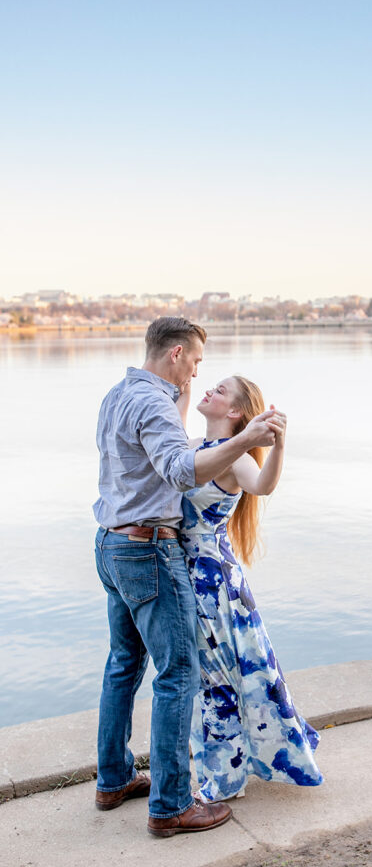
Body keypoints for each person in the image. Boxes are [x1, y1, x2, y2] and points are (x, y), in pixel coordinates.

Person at [93, 317, 283, 838]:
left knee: (123, 665)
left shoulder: (120, 394)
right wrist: (246, 436)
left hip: (111, 543)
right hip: (149, 550)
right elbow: (181, 471)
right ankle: (172, 806)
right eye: (196, 362)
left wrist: (226, 428)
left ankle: (113, 780)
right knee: (178, 676)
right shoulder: (154, 403)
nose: (199, 373)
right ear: (176, 353)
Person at [177, 374, 323, 802]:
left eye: (219, 391)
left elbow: (263, 486)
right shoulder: (192, 446)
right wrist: (183, 379)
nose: (209, 391)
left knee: (218, 676)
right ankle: (219, 766)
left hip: (213, 581)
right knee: (208, 676)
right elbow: (179, 411)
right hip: (186, 573)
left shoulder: (235, 456)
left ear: (236, 412)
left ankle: (224, 780)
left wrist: (278, 444)